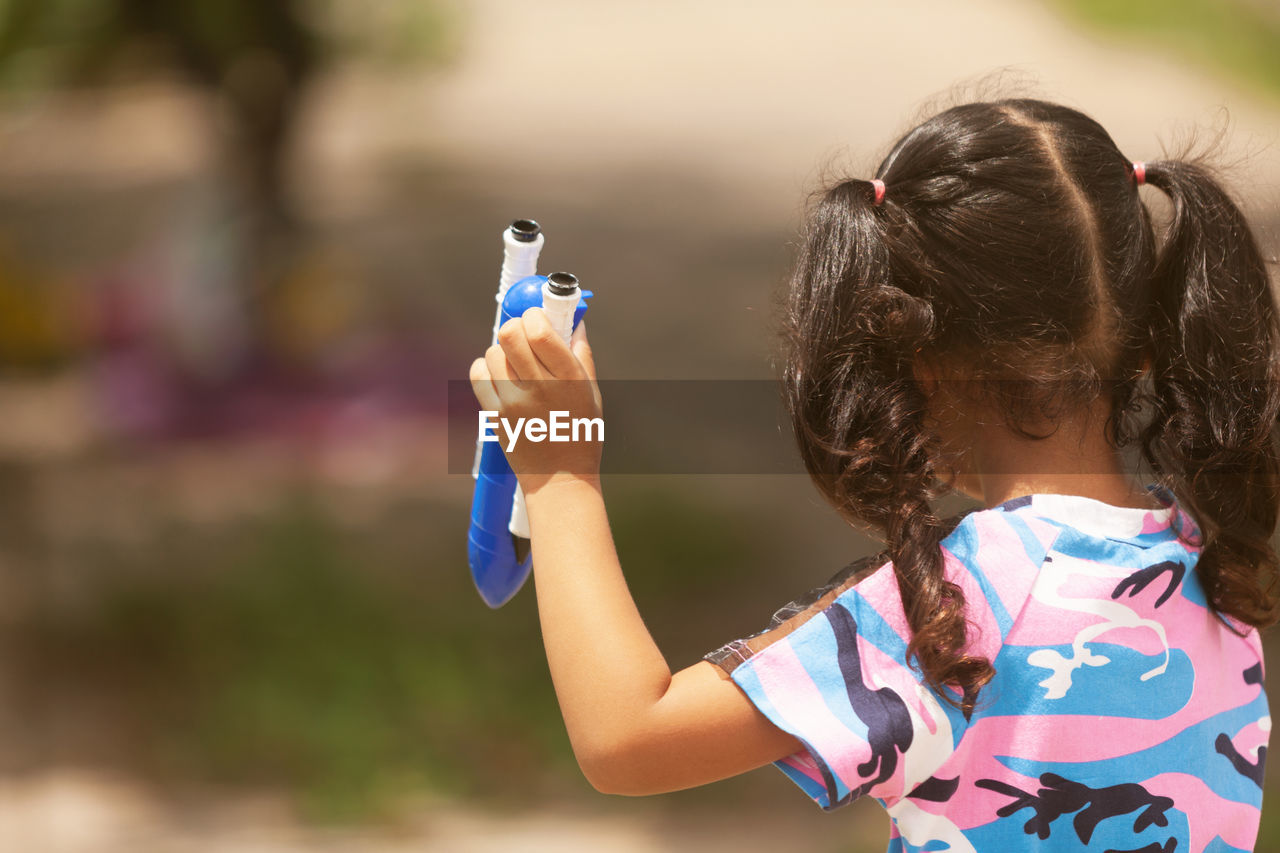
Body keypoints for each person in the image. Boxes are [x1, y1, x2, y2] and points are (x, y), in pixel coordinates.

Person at [468, 97, 1277, 852]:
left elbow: (628, 741)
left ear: (914, 357)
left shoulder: (969, 600)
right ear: (1145, 339)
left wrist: (558, 466)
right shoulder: (1217, 575)